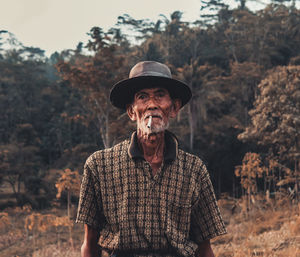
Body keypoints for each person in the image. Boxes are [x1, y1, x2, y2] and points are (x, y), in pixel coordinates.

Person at [76, 61, 226, 257]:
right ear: (131, 111)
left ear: (174, 108)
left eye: (160, 95)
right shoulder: (99, 165)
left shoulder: (194, 169)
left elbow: (205, 249)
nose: (152, 104)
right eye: (143, 97)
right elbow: (89, 244)